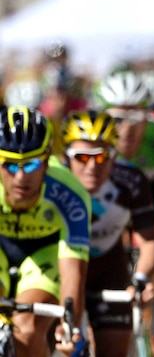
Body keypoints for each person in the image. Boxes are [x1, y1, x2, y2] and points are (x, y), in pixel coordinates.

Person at [95, 70, 154, 356]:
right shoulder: (94, 142)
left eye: (136, 119)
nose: (127, 129)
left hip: (148, 207)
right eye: (118, 120)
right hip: (107, 210)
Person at [61, 110, 154, 357]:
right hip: (60, 271)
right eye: (82, 157)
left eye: (103, 156)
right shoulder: (53, 180)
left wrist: (141, 278)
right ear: (66, 156)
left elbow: (150, 241)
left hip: (110, 269)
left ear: (114, 155)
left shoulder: (132, 180)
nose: (92, 166)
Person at [0, 106, 91, 356]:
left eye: (31, 165)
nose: (20, 177)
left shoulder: (69, 193)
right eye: (9, 165)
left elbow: (73, 271)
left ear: (48, 158)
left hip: (46, 253)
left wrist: (69, 326)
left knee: (26, 329)